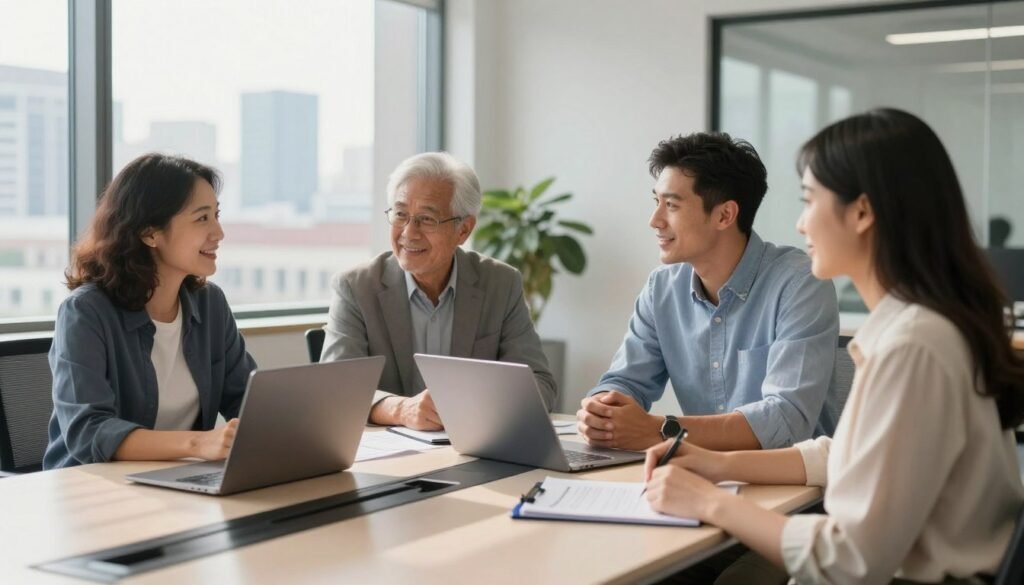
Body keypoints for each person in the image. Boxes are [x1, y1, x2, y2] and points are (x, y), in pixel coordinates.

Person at [644, 108, 1024, 584]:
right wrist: (716, 464)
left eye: (809, 200)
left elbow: (851, 561)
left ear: (862, 212)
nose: (801, 225)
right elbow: (846, 452)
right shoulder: (919, 329)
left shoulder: (914, 347)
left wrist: (707, 501)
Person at [577, 132, 839, 452]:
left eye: (671, 205)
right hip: (700, 472)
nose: (654, 220)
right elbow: (626, 381)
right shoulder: (661, 289)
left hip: (793, 484)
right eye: (656, 202)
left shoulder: (800, 283)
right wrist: (602, 410)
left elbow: (787, 419)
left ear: (725, 215)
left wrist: (662, 429)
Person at [44, 154, 257, 470]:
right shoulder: (86, 312)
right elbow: (88, 432)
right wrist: (200, 443)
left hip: (178, 483)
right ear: (150, 233)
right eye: (202, 218)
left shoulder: (210, 304)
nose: (218, 232)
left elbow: (247, 401)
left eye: (216, 215)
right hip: (92, 489)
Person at [320, 152, 556, 430]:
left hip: (474, 449)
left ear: (463, 230)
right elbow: (337, 390)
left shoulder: (501, 284)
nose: (409, 232)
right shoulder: (356, 287)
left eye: (427, 219)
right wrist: (400, 410)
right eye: (400, 215)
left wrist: (471, 408)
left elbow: (540, 384)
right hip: (390, 459)